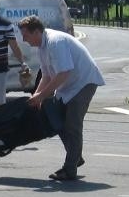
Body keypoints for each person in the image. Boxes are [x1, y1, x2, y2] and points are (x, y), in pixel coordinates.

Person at [17, 15, 105, 181]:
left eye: (26, 35)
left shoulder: (55, 42)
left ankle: (69, 169)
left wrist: (42, 95)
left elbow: (64, 72)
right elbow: (47, 76)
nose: (24, 39)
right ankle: (76, 156)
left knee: (72, 125)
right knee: (57, 121)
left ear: (36, 31)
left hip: (83, 82)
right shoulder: (42, 47)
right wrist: (37, 95)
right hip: (68, 86)